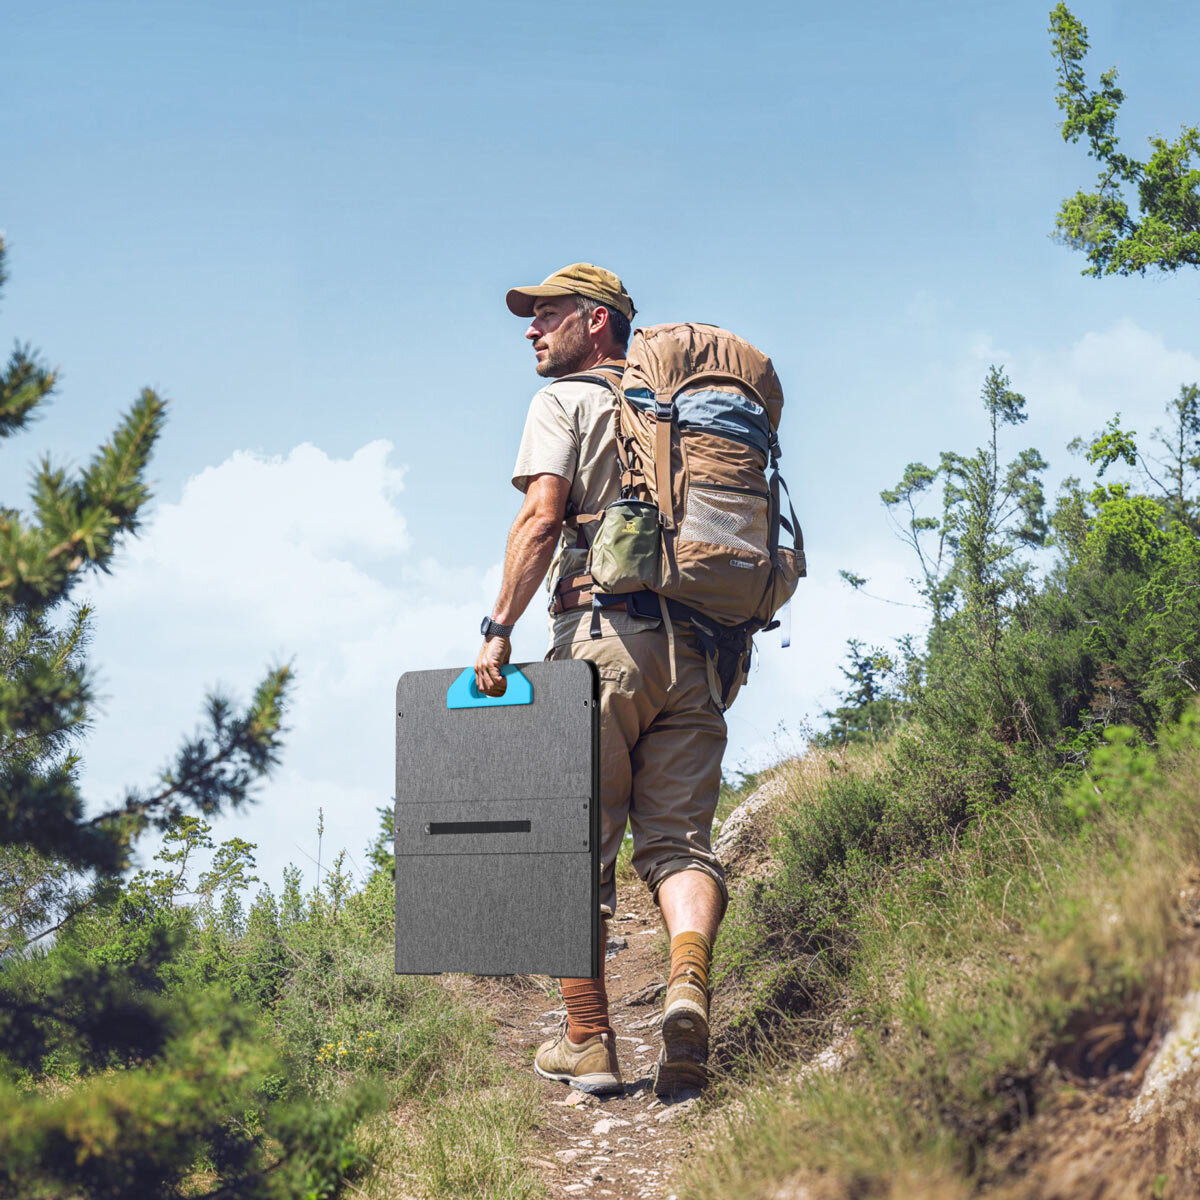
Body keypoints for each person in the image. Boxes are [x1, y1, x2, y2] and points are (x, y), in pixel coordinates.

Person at [474, 263, 737, 1096]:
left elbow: (543, 515)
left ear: (597, 321)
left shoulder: (567, 401)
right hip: (697, 654)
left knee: (568, 851)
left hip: (601, 645)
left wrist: (498, 628)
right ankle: (687, 985)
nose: (530, 328)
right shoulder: (687, 410)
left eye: (545, 314)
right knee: (680, 846)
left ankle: (589, 1040)